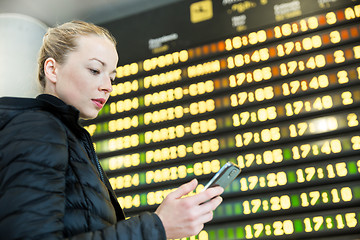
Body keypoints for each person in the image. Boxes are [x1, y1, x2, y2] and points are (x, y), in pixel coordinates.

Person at [0, 20, 224, 239]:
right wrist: (158, 226)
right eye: (95, 70)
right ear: (52, 69)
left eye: (112, 77)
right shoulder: (38, 128)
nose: (107, 86)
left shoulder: (68, 139)